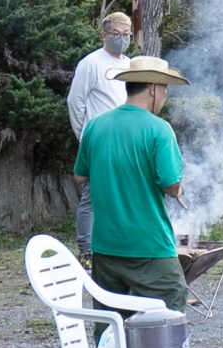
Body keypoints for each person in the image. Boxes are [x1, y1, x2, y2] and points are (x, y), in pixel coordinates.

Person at [74, 54, 192, 310]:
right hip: (149, 245)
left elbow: (80, 176)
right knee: (170, 305)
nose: (165, 97)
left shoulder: (95, 126)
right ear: (152, 89)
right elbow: (170, 184)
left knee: (111, 322)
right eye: (165, 90)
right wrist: (178, 186)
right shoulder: (159, 129)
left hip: (105, 245)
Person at [66, 11, 136, 257]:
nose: (121, 39)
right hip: (99, 141)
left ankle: (116, 245)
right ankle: (87, 251)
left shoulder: (130, 65)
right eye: (116, 34)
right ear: (104, 35)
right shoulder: (90, 63)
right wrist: (84, 137)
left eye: (126, 35)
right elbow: (76, 102)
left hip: (127, 142)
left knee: (124, 194)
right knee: (93, 197)